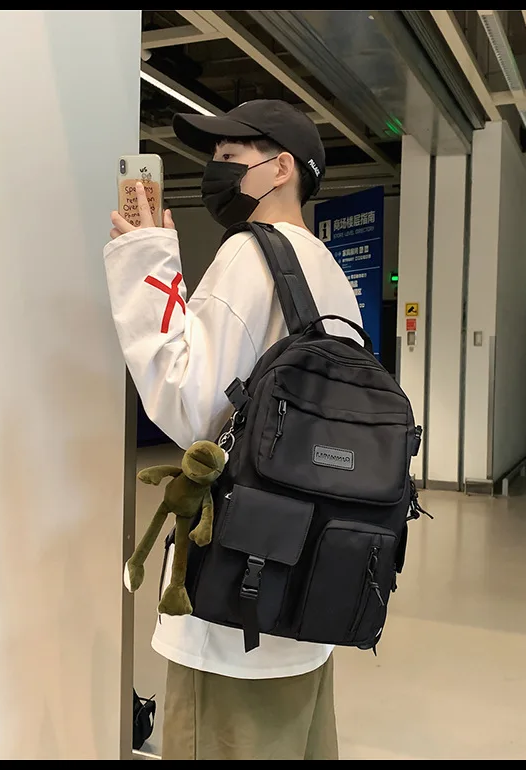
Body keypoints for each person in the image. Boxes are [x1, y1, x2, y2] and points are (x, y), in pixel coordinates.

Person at [103, 99, 362, 760]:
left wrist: (142, 263)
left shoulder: (250, 255)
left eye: (229, 155)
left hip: (236, 597)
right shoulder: (330, 273)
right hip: (310, 581)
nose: (214, 168)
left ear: (281, 168)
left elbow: (189, 405)